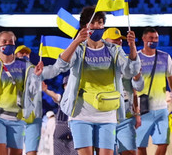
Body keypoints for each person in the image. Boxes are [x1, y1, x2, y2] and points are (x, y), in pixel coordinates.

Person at [52, 9, 141, 155]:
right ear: (84, 26)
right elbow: (61, 65)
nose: (97, 26)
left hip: (108, 114)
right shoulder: (79, 49)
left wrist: (132, 48)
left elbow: (130, 71)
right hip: (81, 114)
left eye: (100, 22)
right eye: (92, 22)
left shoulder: (114, 50)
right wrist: (76, 41)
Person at [0, 31, 57, 155]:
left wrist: (37, 77)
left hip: (17, 119)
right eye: (4, 41)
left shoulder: (25, 66)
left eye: (11, 41)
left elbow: (32, 92)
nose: (8, 44)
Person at [135, 29, 172, 155]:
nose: (154, 41)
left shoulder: (165, 57)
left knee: (164, 143)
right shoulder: (136, 58)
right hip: (142, 107)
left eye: (156, 38)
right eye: (151, 38)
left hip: (161, 108)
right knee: (140, 144)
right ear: (144, 39)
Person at [100, 28, 142, 155]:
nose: (118, 43)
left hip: (126, 118)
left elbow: (136, 89)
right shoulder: (96, 61)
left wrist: (137, 113)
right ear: (104, 41)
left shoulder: (128, 62)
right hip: (104, 119)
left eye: (120, 41)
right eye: (115, 40)